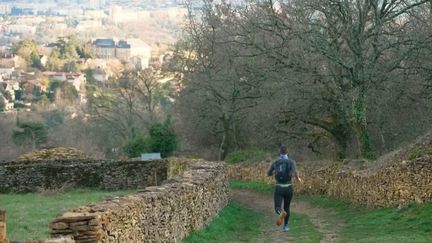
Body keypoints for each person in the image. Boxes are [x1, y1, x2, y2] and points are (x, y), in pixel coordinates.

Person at [267, 144, 302, 232]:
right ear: (287, 152)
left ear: (279, 152)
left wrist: (275, 172)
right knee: (287, 207)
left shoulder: (275, 162)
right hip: (288, 188)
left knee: (277, 207)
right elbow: (294, 173)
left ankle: (280, 213)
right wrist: (298, 179)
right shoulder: (291, 162)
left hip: (279, 187)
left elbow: (268, 173)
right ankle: (286, 226)